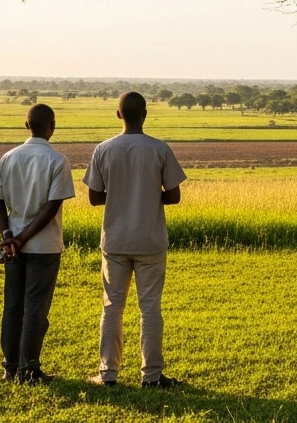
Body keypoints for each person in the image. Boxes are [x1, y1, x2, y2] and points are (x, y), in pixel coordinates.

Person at [82, 91, 186, 389]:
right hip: (150, 239)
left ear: (118, 114)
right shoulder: (159, 149)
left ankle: (107, 373)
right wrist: (150, 196)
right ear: (145, 114)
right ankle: (152, 375)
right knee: (150, 307)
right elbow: (175, 196)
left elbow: (93, 197)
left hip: (115, 241)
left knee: (112, 307)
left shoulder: (104, 149)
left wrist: (119, 195)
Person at [0, 103, 76, 384]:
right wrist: (23, 238)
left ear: (26, 125)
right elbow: (51, 208)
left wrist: (8, 237)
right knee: (35, 308)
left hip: (12, 246)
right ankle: (28, 370)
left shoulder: (9, 157)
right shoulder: (57, 160)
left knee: (13, 305)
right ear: (52, 127)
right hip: (44, 246)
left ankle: (10, 366)